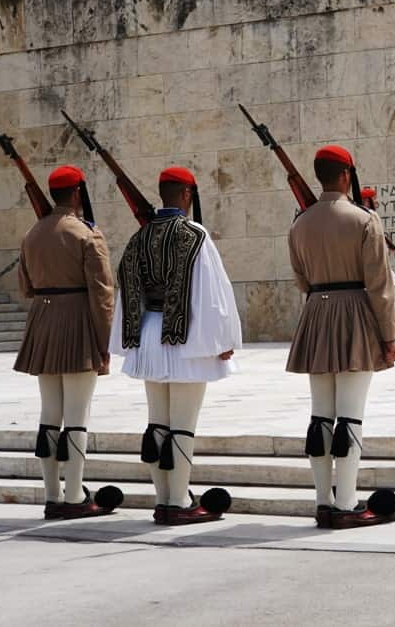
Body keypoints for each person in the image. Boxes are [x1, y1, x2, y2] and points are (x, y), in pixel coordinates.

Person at [111, 166, 241, 525]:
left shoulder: (139, 236)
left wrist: (130, 338)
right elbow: (211, 292)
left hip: (149, 335)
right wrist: (223, 339)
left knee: (158, 423)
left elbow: (126, 289)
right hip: (184, 337)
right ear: (187, 195)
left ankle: (164, 499)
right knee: (182, 424)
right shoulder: (194, 234)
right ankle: (179, 503)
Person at [287, 146, 395, 529]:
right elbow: (380, 286)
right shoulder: (364, 220)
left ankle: (323, 502)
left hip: (317, 313)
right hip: (354, 315)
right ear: (347, 175)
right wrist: (389, 336)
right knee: (349, 417)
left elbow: (301, 279)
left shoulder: (300, 223)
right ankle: (347, 504)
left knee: (320, 417)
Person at [14, 165, 120, 519]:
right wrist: (104, 342)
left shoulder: (32, 233)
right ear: (78, 193)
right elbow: (103, 294)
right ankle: (74, 497)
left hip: (43, 322)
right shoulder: (86, 235)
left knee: (49, 415)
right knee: (76, 416)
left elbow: (25, 286)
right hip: (76, 323)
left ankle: (51, 496)